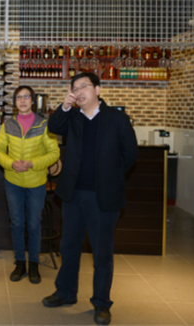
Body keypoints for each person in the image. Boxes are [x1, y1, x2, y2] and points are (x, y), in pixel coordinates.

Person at [42, 72, 138, 326]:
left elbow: (130, 153)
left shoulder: (116, 118)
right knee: (69, 246)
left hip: (103, 197)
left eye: (83, 86)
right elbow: (53, 127)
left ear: (97, 89)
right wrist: (64, 107)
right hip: (73, 195)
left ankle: (102, 303)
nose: (79, 91)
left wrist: (111, 176)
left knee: (102, 252)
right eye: (74, 88)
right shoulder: (72, 117)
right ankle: (65, 292)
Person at [0, 85, 60, 284]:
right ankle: (20, 262)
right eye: (19, 97)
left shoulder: (44, 125)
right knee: (16, 223)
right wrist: (11, 163)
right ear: (15, 102)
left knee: (33, 224)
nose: (22, 100)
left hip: (36, 183)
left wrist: (32, 164)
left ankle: (34, 265)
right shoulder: (8, 125)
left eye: (26, 97)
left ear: (33, 101)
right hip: (12, 182)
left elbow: (54, 153)